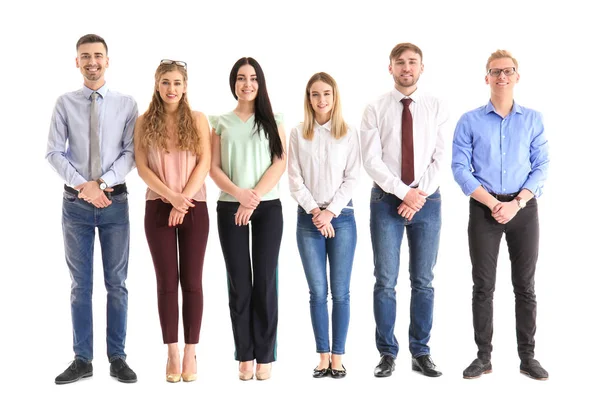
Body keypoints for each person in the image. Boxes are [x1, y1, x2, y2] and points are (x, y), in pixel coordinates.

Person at [452, 50, 550, 381]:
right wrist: (492, 202)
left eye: (508, 71)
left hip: (523, 208)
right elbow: (460, 168)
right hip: (484, 209)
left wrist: (516, 203)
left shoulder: (533, 119)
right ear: (486, 78)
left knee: (525, 285)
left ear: (517, 76)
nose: (502, 76)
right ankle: (483, 356)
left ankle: (527, 356)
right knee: (483, 285)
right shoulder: (469, 120)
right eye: (495, 72)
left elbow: (541, 166)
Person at [46, 33, 138, 384]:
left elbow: (130, 154)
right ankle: (82, 359)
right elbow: (54, 152)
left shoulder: (127, 104)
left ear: (108, 60)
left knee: (117, 283)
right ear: (77, 62)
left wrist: (100, 185)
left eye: (98, 55)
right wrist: (84, 186)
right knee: (79, 285)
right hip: (76, 205)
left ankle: (117, 357)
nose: (92, 61)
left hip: (114, 202)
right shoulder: (64, 103)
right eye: (85, 56)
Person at [360, 42, 448, 378]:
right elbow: (371, 159)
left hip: (428, 202)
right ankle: (387, 353)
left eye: (412, 62)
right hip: (386, 202)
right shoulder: (374, 108)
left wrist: (417, 195)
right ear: (390, 68)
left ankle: (421, 351)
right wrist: (403, 193)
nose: (406, 68)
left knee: (423, 281)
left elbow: (440, 156)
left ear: (421, 68)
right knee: (385, 281)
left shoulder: (436, 106)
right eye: (400, 63)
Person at [209, 57, 286, 381]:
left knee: (265, 282)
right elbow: (212, 168)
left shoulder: (274, 119)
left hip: (267, 207)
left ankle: (265, 355)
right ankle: (245, 354)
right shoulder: (219, 122)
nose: (247, 84)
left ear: (260, 82)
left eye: (253, 78)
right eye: (241, 78)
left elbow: (280, 162)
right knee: (240, 284)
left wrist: (252, 198)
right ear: (233, 83)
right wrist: (239, 195)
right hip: (231, 207)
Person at [134, 59, 211, 383]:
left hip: (195, 206)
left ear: (185, 86)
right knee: (166, 283)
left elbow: (205, 162)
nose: (171, 89)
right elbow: (142, 167)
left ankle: (192, 349)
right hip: (158, 207)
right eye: (166, 82)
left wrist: (185, 199)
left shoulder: (197, 119)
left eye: (177, 82)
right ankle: (172, 351)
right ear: (157, 84)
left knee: (192, 282)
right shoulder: (142, 122)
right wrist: (171, 197)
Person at [288, 72, 360, 379]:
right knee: (317, 292)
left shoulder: (348, 132)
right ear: (309, 99)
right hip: (308, 220)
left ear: (335, 97)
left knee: (340, 292)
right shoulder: (297, 133)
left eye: (326, 94)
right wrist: (316, 212)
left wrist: (329, 212)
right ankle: (322, 355)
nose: (321, 100)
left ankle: (338, 356)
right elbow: (294, 179)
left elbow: (353, 177)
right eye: (315, 94)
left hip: (342, 218)